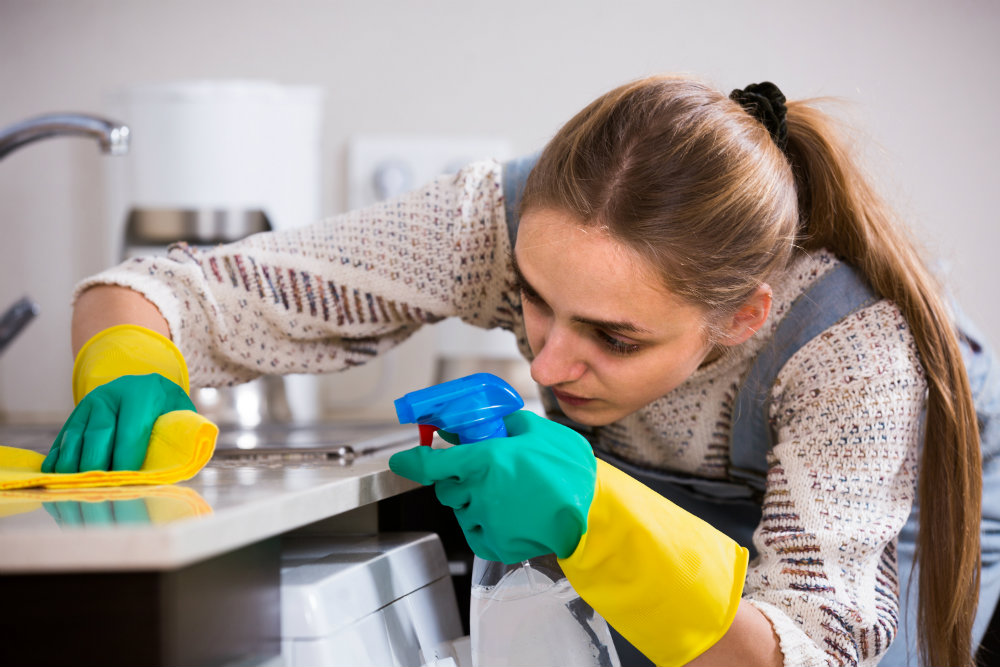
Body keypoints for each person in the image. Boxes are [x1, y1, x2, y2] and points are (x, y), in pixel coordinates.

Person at [43, 74, 998, 667]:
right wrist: (131, 358)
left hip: (906, 523)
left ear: (742, 316)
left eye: (613, 338)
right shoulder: (495, 218)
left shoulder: (856, 349)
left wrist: (600, 516)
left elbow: (802, 655)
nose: (545, 360)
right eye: (534, 299)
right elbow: (161, 291)